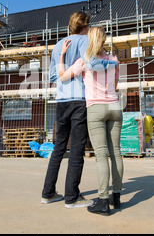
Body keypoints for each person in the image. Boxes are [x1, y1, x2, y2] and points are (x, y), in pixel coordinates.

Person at [41, 12, 117, 208]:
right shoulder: (85, 40)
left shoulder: (59, 45)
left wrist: (65, 67)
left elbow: (52, 77)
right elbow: (93, 64)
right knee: (76, 149)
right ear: (86, 26)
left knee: (58, 147)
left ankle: (48, 193)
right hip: (80, 100)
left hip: (61, 100)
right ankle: (71, 196)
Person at [58, 26, 123, 216]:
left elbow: (62, 78)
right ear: (104, 40)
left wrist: (62, 56)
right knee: (116, 153)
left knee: (101, 154)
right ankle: (116, 197)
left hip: (95, 107)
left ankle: (103, 201)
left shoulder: (84, 61)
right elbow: (116, 84)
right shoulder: (114, 60)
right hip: (114, 106)